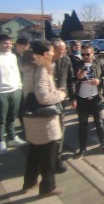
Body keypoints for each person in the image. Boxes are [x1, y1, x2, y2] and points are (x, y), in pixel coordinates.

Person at [21, 40, 65, 196]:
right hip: (43, 121)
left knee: (34, 151)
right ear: (45, 54)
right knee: (48, 157)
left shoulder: (29, 66)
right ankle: (48, 186)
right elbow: (43, 96)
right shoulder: (41, 69)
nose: (54, 54)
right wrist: (60, 94)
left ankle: (30, 181)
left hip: (31, 118)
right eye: (52, 51)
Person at [74, 44, 104, 159]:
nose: (85, 56)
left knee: (99, 123)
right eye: (83, 54)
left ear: (93, 53)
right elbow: (71, 81)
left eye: (87, 54)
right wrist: (78, 77)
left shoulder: (99, 63)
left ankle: (103, 143)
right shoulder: (77, 64)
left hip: (96, 98)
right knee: (83, 125)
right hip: (82, 99)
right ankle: (82, 148)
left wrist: (99, 81)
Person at [52, 39, 76, 173]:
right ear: (53, 50)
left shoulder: (66, 59)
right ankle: (51, 155)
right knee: (51, 130)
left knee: (60, 127)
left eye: (64, 50)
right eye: (61, 50)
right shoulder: (45, 61)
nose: (64, 52)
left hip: (61, 99)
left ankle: (57, 156)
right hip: (47, 101)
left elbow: (70, 79)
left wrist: (72, 97)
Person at [0, 35, 26, 156]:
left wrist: (19, 87)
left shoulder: (13, 57)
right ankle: (1, 142)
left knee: (12, 117)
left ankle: (11, 138)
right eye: (5, 43)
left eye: (9, 43)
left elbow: (16, 72)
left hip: (15, 90)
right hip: (2, 92)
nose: (8, 45)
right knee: (2, 120)